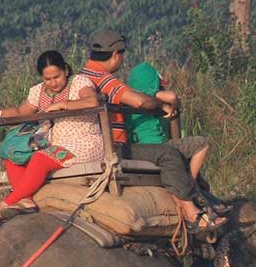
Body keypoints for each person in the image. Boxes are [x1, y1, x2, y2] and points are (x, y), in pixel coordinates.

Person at [79, 30, 220, 229]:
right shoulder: (103, 79)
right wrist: (161, 106)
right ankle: (190, 210)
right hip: (112, 147)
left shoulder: (80, 76)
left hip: (88, 145)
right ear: (116, 55)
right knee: (169, 153)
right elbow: (139, 101)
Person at [0, 50, 103, 222]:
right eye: (48, 79)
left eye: (57, 76)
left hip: (81, 143)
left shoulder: (79, 83)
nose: (53, 83)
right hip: (48, 141)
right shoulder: (38, 91)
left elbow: (92, 101)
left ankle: (5, 204)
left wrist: (63, 105)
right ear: (41, 77)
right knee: (12, 154)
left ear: (66, 71)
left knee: (40, 158)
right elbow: (20, 112)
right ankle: (26, 200)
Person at [124, 62, 221, 211]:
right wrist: (165, 102)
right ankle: (190, 185)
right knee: (202, 143)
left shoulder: (129, 98)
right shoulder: (150, 97)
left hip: (140, 147)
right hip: (159, 146)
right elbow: (172, 96)